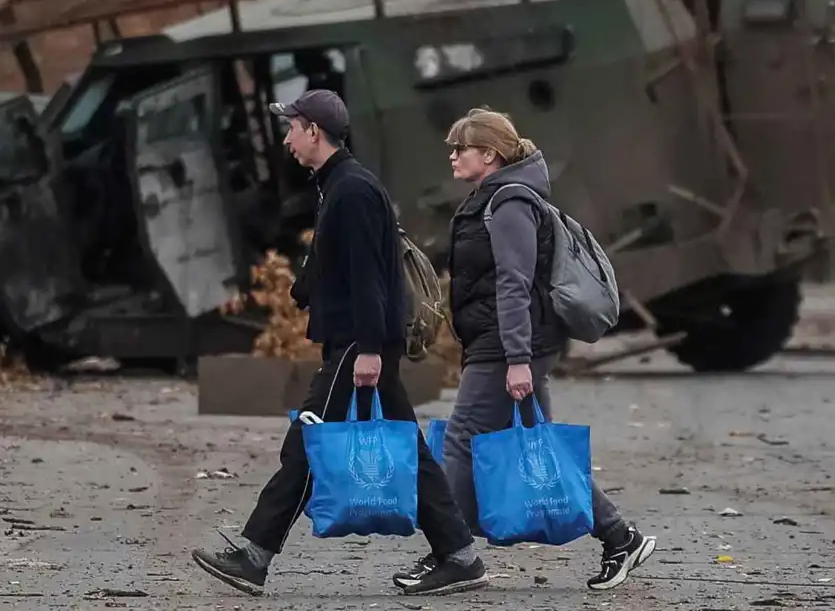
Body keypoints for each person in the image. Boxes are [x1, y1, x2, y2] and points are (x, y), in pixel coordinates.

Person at [191, 88, 487, 598]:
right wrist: (306, 287)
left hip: (358, 343)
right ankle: (459, 556)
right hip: (357, 339)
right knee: (407, 451)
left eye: (292, 128)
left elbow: (371, 275)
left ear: (314, 132)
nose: (286, 139)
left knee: (309, 440)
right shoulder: (337, 185)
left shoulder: (351, 190)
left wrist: (371, 347)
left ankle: (254, 555)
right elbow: (341, 261)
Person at [393, 107, 658, 592]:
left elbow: (513, 285)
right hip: (504, 342)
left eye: (461, 149)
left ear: (489, 154)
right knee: (543, 445)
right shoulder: (489, 198)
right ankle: (621, 538)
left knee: (461, 440)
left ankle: (453, 554)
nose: (452, 156)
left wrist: (517, 359)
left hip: (512, 343)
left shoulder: (510, 203)